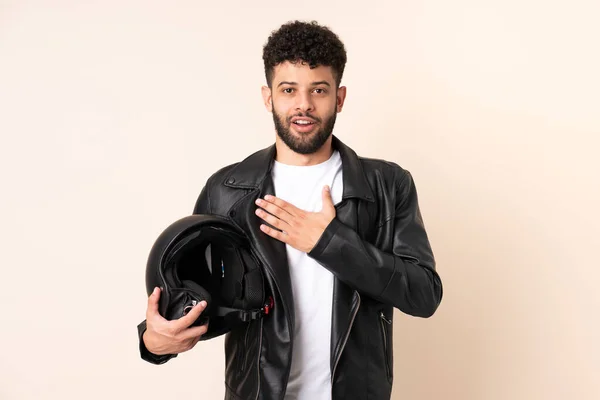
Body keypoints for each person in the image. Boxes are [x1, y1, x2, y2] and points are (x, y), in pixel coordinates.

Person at [137, 20, 443, 400]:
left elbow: (424, 295)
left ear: (340, 97)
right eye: (288, 90)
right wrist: (154, 340)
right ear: (268, 97)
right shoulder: (228, 190)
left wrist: (330, 242)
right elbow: (198, 304)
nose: (304, 104)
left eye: (319, 89)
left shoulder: (387, 184)